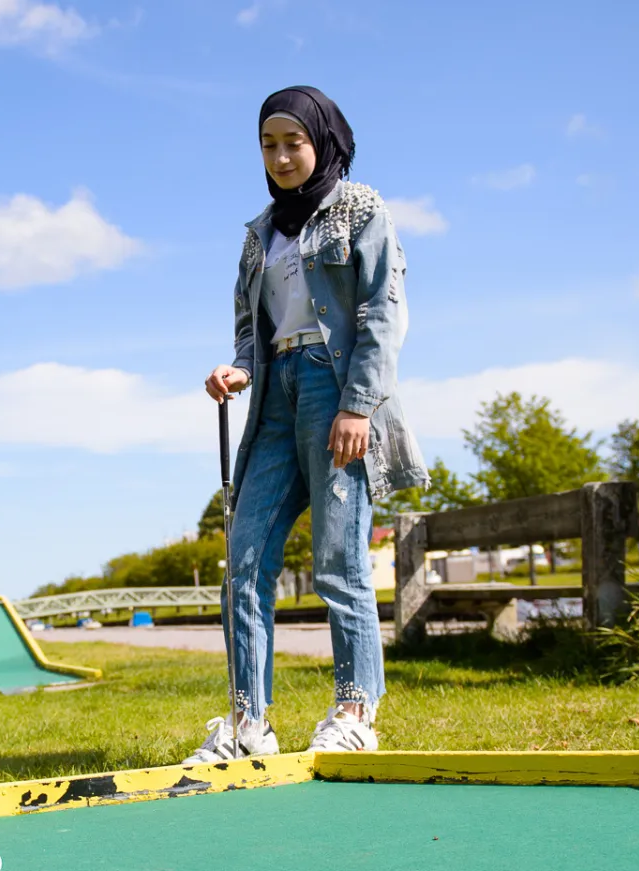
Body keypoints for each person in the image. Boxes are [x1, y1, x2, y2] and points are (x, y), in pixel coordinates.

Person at [186, 86, 428, 764]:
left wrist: (358, 405)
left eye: (293, 142)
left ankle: (354, 711)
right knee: (243, 563)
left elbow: (382, 312)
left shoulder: (361, 209)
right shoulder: (258, 233)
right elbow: (251, 328)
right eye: (268, 145)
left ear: (322, 141)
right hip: (273, 398)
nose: (281, 156)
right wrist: (238, 370)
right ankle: (247, 725)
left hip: (334, 387)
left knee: (338, 561)